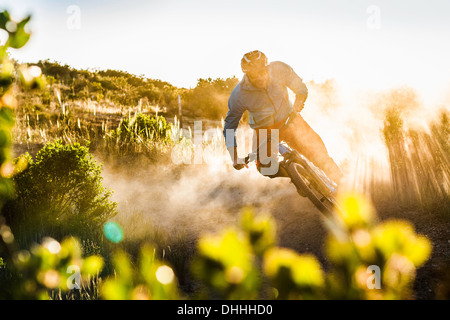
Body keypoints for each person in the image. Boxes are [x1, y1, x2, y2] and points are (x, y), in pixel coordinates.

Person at [223, 50, 343, 183]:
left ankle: (344, 184)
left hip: (290, 120)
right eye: (253, 75)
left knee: (320, 156)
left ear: (267, 67)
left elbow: (300, 87)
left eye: (261, 71)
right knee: (266, 168)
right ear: (247, 74)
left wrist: (299, 102)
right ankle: (301, 177)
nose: (259, 78)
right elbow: (229, 126)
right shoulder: (239, 94)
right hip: (264, 130)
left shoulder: (279, 69)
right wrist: (234, 157)